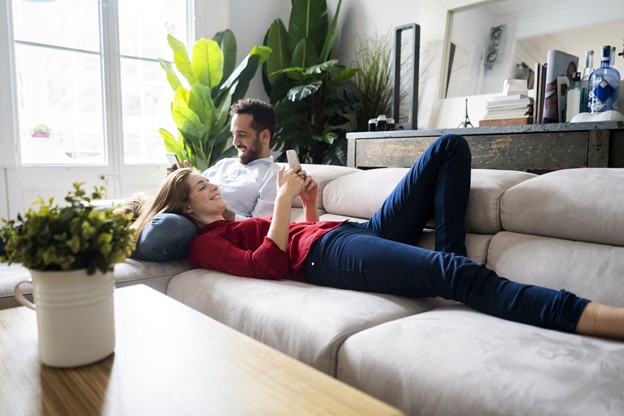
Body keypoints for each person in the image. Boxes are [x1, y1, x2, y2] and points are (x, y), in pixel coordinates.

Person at [137, 134, 624, 340]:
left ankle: (450, 269)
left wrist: (307, 202)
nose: (213, 185)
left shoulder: (229, 221)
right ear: (184, 207)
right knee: (458, 275)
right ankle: (598, 317)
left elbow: (297, 233)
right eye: (203, 186)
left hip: (344, 233)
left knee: (449, 148)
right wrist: (283, 203)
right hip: (330, 257)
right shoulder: (203, 244)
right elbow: (268, 265)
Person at [131, 98, 280, 261]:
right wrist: (178, 182)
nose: (236, 142)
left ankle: (124, 241)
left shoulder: (273, 175)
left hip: (201, 227)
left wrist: (224, 213)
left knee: (169, 228)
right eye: (234, 135)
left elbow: (263, 227)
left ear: (264, 135)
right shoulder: (224, 164)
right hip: (178, 210)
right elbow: (193, 191)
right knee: (113, 211)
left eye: (242, 135)